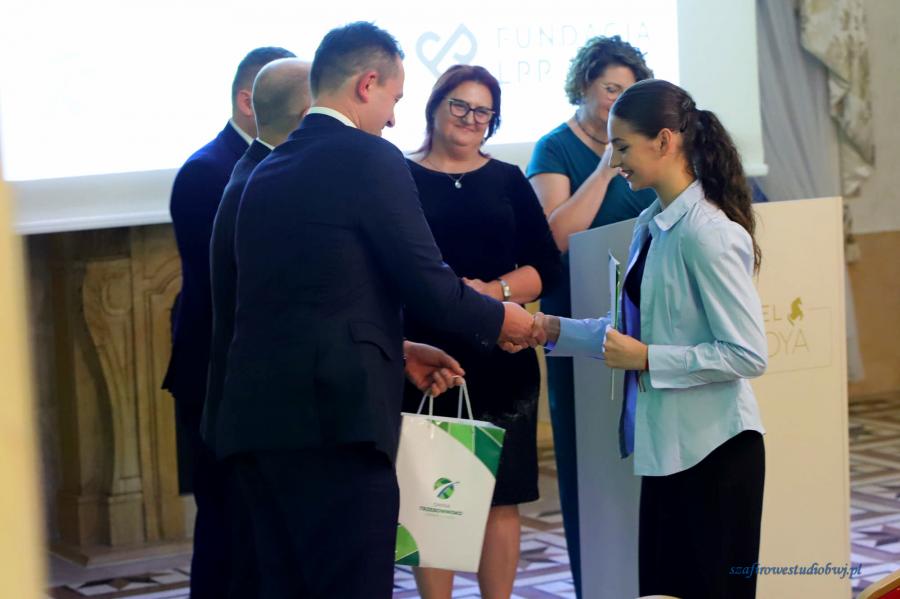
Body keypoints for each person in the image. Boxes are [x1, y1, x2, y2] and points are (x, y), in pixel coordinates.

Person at [213, 22, 535, 599]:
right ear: (367, 84)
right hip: (338, 427)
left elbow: (302, 303)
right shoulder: (368, 158)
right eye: (394, 98)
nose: (391, 119)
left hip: (264, 428)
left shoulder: (264, 169)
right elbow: (428, 283)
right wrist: (504, 318)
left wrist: (398, 350)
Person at [523, 79, 768, 599]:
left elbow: (747, 354)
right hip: (666, 450)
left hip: (715, 452)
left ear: (664, 141)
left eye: (622, 147)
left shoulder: (708, 232)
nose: (614, 162)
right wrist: (548, 329)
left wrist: (649, 359)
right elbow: (629, 336)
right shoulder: (650, 223)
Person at [402, 64, 561, 599]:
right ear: (435, 106)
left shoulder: (508, 179)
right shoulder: (398, 176)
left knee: (501, 495)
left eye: (483, 112)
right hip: (425, 357)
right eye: (460, 105)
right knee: (431, 495)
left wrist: (491, 293)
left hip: (502, 352)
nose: (471, 119)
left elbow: (546, 267)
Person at [524, 35, 655, 594]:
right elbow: (554, 236)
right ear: (584, 84)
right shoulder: (555, 149)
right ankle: (595, 582)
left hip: (645, 323)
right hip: (576, 325)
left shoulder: (646, 145)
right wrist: (604, 169)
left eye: (628, 93)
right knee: (589, 458)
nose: (616, 102)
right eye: (609, 89)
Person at [162, 45, 294, 599]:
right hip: (219, 380)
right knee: (225, 530)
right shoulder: (206, 172)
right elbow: (230, 289)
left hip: (270, 383)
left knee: (268, 538)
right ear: (248, 101)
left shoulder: (287, 165)